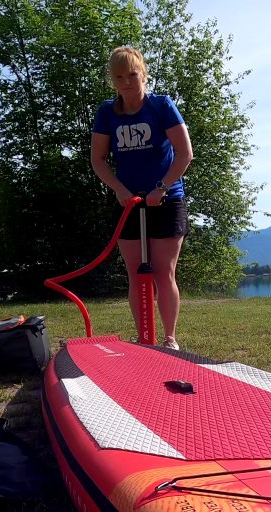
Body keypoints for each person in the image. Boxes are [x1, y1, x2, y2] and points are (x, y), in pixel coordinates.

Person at [91, 46, 193, 351]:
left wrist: (161, 186)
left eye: (132, 74)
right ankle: (143, 338)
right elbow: (98, 160)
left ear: (143, 74)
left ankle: (170, 339)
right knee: (136, 273)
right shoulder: (107, 112)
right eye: (119, 76)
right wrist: (119, 189)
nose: (126, 82)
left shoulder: (161, 106)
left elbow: (185, 154)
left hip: (166, 200)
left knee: (163, 272)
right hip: (129, 203)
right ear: (113, 80)